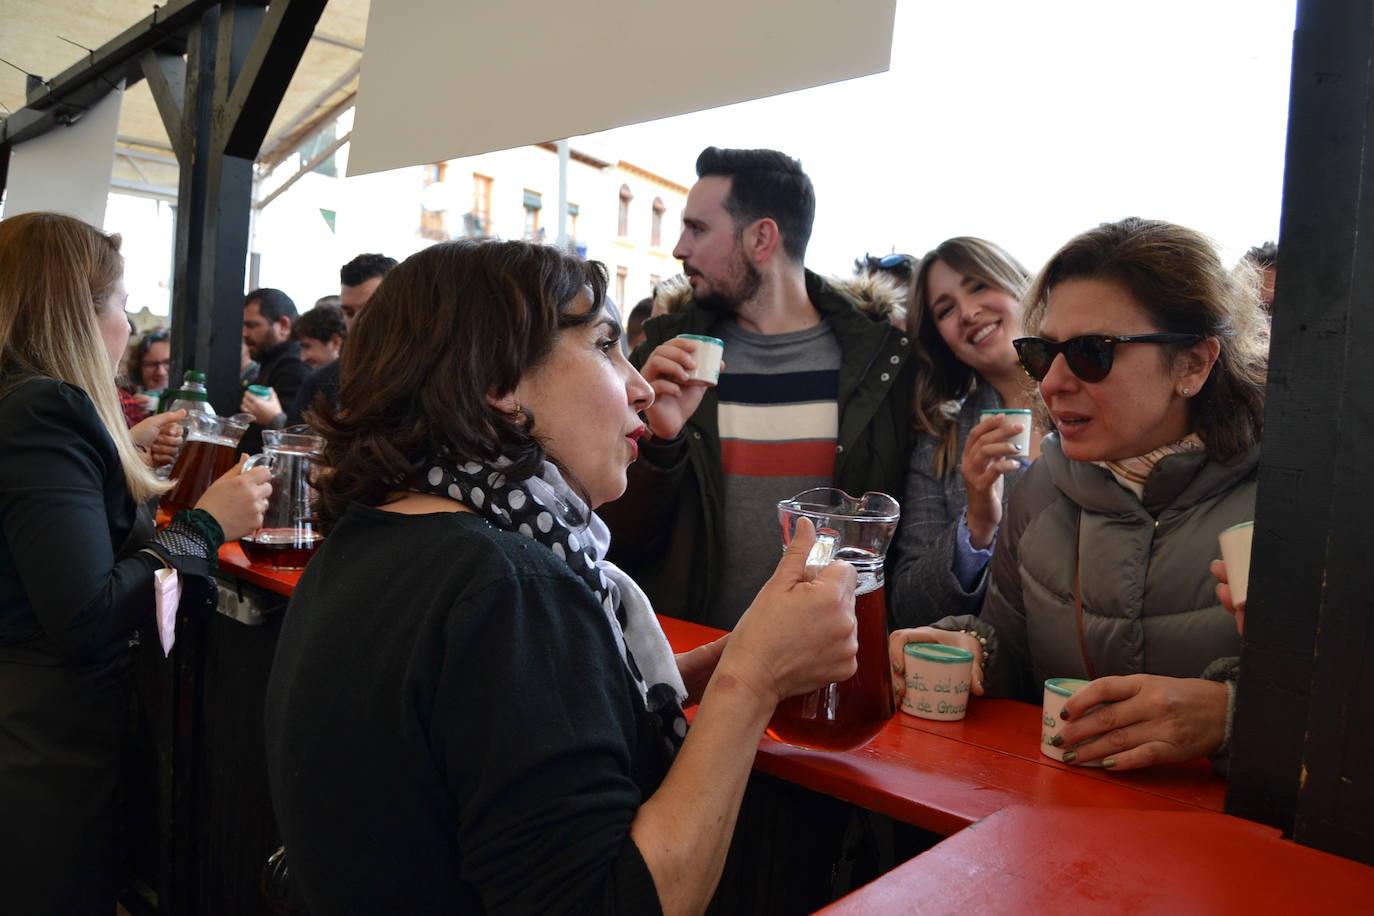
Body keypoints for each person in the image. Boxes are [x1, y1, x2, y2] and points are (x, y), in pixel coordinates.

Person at [264, 238, 857, 913]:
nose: (639, 387)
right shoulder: (509, 587)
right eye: (606, 345)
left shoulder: (377, 537)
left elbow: (491, 728)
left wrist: (718, 666)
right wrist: (754, 681)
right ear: (498, 383)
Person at [890, 217, 1268, 772]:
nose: (1051, 383)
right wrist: (968, 649)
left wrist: (1234, 716)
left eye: (1093, 352)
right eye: (1043, 353)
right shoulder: (1039, 489)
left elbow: (1341, 703)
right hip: (1062, 835)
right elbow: (1015, 653)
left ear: (1193, 363)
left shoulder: (1296, 502)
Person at [0, 211, 271, 914]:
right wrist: (209, 522)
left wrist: (119, 445)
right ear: (80, 313)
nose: (127, 321)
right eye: (121, 302)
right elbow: (85, 613)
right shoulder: (43, 409)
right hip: (42, 741)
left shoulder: (24, 401)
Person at [600, 146, 913, 629]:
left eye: (698, 229)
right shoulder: (667, 359)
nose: (679, 248)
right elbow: (613, 540)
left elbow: (901, 543)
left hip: (829, 671)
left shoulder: (881, 366)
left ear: (762, 238)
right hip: (694, 666)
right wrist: (662, 443)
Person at [889, 238, 1038, 627]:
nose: (969, 313)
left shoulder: (1102, 401)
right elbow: (908, 607)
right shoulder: (940, 444)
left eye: (978, 287)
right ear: (943, 342)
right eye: (946, 309)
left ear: (1019, 285)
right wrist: (977, 526)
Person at [299, 253, 398, 418]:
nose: (358, 322)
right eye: (349, 312)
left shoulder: (424, 376)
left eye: (369, 310)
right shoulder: (321, 382)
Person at [239, 287, 311, 453]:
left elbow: (297, 436)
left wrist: (273, 420)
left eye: (252, 325)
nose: (245, 333)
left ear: (284, 326)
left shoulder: (293, 368)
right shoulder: (271, 363)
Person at [290, 302, 346, 421]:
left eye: (307, 346)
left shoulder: (314, 383)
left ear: (335, 342)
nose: (302, 358)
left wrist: (275, 418)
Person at [124, 329, 172, 415]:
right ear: (138, 368)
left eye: (167, 363)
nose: (161, 372)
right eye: (151, 364)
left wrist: (158, 405)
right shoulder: (127, 399)